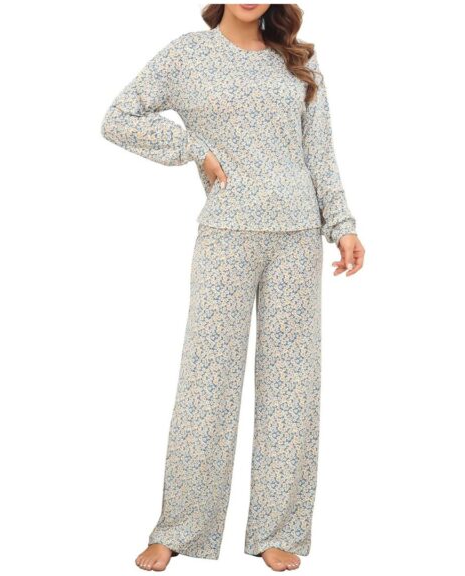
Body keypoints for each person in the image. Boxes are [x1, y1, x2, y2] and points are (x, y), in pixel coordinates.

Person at [101, 3, 365, 571]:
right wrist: (192, 149)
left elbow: (319, 150)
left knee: (291, 386)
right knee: (207, 384)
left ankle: (278, 529)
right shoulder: (188, 55)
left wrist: (342, 225)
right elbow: (118, 117)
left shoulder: (297, 61)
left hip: (297, 234)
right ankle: (179, 528)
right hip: (227, 233)